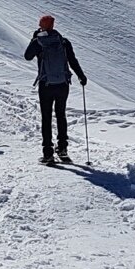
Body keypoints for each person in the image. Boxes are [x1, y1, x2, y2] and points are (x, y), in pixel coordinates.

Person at [24, 15, 87, 164]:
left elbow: (27, 56)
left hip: (46, 85)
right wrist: (81, 76)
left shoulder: (38, 42)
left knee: (46, 118)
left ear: (42, 26)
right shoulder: (63, 42)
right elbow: (72, 61)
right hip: (62, 84)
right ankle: (63, 149)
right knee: (61, 115)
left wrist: (34, 39)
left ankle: (48, 153)